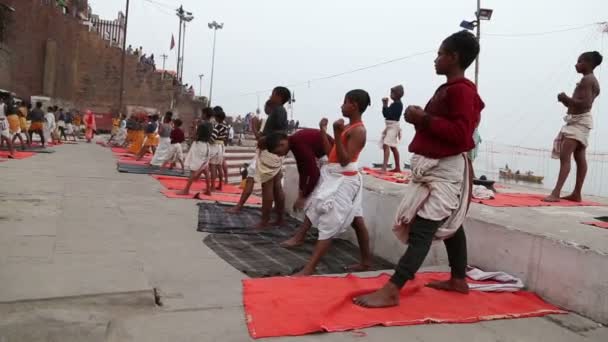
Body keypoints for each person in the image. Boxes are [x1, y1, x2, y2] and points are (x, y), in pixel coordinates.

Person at [354, 30, 483, 308]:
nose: (435, 60)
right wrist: (421, 119)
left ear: (454, 57)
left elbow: (462, 135)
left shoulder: (461, 90)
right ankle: (459, 279)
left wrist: (423, 118)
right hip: (437, 168)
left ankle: (393, 289)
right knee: (450, 222)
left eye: (440, 54)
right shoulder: (453, 89)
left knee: (423, 228)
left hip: (445, 170)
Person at [291, 89, 372, 276]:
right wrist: (324, 132)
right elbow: (332, 154)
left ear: (354, 105)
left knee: (330, 220)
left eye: (345, 102)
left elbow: (344, 160)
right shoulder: (349, 129)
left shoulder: (358, 130)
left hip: (345, 180)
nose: (341, 106)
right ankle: (366, 262)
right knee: (357, 221)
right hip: (337, 176)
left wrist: (336, 132)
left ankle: (310, 268)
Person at [543, 51, 603, 203]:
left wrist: (566, 98)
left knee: (565, 156)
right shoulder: (589, 80)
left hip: (578, 123)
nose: (576, 64)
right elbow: (579, 103)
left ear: (588, 63)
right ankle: (577, 193)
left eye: (580, 61)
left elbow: (585, 104)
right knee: (579, 156)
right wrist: (565, 101)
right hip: (580, 121)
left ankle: (556, 193)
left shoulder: (588, 80)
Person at [273, 127, 336, 248]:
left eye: (277, 152)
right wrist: (301, 193)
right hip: (327, 158)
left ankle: (299, 237)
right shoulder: (295, 143)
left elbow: (313, 173)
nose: (278, 155)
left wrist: (304, 196)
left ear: (282, 143)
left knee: (315, 201)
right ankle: (304, 236)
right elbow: (302, 170)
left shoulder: (298, 143)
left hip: (333, 160)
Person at [177, 108, 215, 196]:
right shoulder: (211, 124)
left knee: (193, 170)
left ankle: (186, 190)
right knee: (205, 169)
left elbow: (195, 136)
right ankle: (208, 190)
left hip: (199, 146)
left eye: (202, 113)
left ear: (205, 114)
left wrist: (195, 126)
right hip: (206, 146)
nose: (201, 115)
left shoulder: (202, 125)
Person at [380, 85, 405, 172]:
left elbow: (389, 115)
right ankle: (397, 167)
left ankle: (384, 167)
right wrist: (385, 105)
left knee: (387, 144)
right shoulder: (394, 104)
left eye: (393, 93)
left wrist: (385, 105)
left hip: (393, 126)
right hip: (390, 126)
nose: (391, 95)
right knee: (392, 147)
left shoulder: (398, 104)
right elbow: (385, 114)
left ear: (398, 94)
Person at [210, 107, 229, 191]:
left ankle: (213, 186)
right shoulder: (225, 126)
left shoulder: (217, 127)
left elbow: (212, 139)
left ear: (217, 118)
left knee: (213, 166)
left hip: (215, 146)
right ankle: (220, 185)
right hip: (221, 147)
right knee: (219, 166)